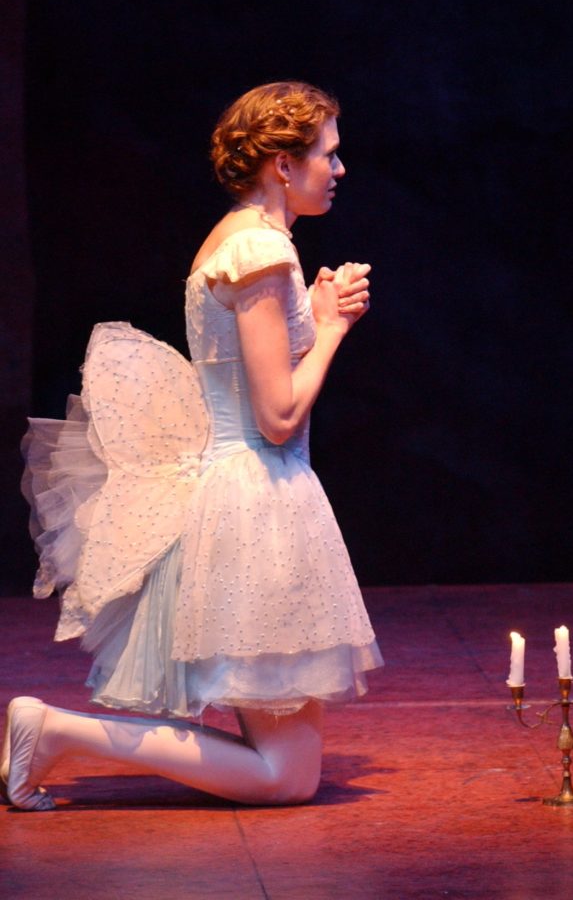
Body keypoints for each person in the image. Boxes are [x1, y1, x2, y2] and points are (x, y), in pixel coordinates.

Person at [3, 80, 383, 810]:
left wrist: (314, 309)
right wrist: (333, 329)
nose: (338, 169)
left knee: (288, 772)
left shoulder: (239, 238)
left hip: (245, 492)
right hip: (258, 503)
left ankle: (54, 733)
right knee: (286, 777)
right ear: (282, 164)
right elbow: (277, 415)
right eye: (327, 154)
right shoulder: (260, 251)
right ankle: (53, 731)